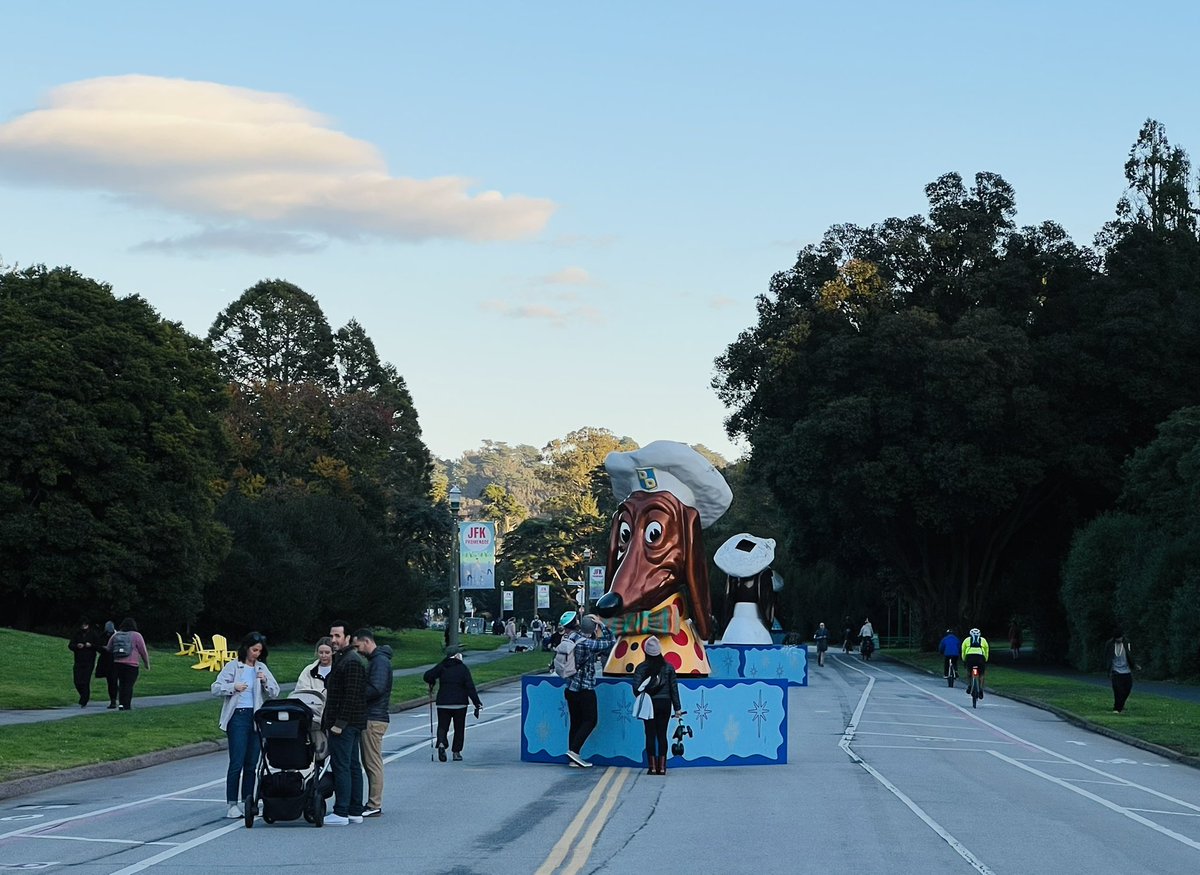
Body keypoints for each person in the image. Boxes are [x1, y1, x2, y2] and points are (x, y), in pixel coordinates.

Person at [211, 632, 279, 819]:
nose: (256, 654)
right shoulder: (234, 666)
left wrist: (264, 680)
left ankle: (248, 801)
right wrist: (233, 686)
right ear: (246, 648)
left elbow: (274, 692)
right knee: (237, 762)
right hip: (238, 716)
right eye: (253, 650)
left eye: (259, 651)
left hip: (256, 717)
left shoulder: (261, 668)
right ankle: (232, 803)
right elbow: (216, 687)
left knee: (252, 763)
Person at [322, 620, 368, 826]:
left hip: (346, 723)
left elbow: (351, 695)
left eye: (337, 636)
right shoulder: (344, 659)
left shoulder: (351, 661)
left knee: (343, 766)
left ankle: (342, 811)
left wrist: (339, 723)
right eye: (332, 636)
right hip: (350, 722)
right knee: (351, 765)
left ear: (348, 638)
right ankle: (354, 810)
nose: (333, 640)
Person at [560, 610, 615, 768]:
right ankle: (574, 751)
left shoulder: (569, 638)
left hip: (570, 687)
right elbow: (610, 642)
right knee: (591, 720)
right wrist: (602, 625)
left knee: (576, 722)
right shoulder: (586, 643)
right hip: (585, 688)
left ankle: (573, 757)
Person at [354, 628, 393, 818]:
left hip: (373, 717)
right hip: (375, 715)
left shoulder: (379, 662)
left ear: (366, 642)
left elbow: (376, 688)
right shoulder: (378, 661)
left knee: (372, 762)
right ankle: (373, 802)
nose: (358, 650)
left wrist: (356, 692)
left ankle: (374, 803)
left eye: (358, 645)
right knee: (371, 761)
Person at [423, 644, 483, 762]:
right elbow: (470, 687)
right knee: (459, 728)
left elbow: (428, 676)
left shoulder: (442, 666)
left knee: (442, 726)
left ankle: (441, 743)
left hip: (443, 702)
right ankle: (456, 752)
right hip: (460, 703)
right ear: (456, 655)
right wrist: (477, 703)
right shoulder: (463, 668)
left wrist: (432, 681)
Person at [632, 636, 682, 775]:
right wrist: (677, 708)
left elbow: (636, 689)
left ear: (646, 652)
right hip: (665, 704)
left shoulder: (641, 668)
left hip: (649, 704)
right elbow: (674, 689)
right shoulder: (669, 668)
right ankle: (663, 767)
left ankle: (652, 767)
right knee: (662, 735)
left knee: (649, 734)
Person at [106, 618, 150, 710]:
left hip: (118, 663)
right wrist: (146, 663)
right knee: (128, 685)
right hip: (132, 664)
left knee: (122, 684)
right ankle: (126, 705)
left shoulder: (116, 635)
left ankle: (121, 704)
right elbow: (143, 651)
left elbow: (109, 648)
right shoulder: (137, 635)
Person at [291, 637, 333, 720]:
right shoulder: (309, 670)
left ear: (333, 653)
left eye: (327, 652)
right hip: (313, 716)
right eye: (321, 652)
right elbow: (302, 692)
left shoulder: (338, 669)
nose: (324, 655)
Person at [1104, 628, 1138, 714]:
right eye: (1117, 638)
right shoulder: (1109, 644)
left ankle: (1120, 706)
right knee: (1118, 690)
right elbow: (1107, 656)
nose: (1119, 640)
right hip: (1115, 670)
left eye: (1120, 638)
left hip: (1126, 670)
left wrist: (1134, 665)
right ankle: (1117, 708)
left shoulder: (1127, 643)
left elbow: (1131, 654)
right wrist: (1108, 669)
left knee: (1127, 689)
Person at [68, 619, 101, 707]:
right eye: (82, 625)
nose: (83, 627)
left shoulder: (93, 634)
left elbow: (98, 646)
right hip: (78, 660)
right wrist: (77, 646)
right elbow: (70, 645)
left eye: (85, 625)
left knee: (85, 680)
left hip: (89, 660)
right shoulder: (77, 634)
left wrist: (91, 646)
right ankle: (83, 695)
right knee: (77, 681)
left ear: (88, 625)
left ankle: (84, 700)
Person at [96, 620, 119, 709]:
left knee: (112, 681)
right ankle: (113, 699)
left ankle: (114, 699)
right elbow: (98, 646)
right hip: (107, 661)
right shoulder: (103, 636)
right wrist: (103, 648)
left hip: (115, 661)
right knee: (111, 681)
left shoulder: (117, 636)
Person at [961, 627, 990, 698]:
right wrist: (985, 659)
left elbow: (963, 651)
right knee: (981, 674)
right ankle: (981, 690)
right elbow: (986, 651)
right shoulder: (983, 640)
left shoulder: (966, 640)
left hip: (969, 657)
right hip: (980, 658)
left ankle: (969, 686)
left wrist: (964, 659)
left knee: (968, 672)